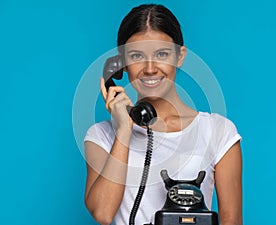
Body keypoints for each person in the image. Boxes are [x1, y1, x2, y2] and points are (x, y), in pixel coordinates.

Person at [84, 4, 242, 225]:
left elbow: (231, 220)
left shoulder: (219, 132)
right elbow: (102, 213)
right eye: (137, 56)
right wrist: (124, 130)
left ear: (180, 56)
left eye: (162, 54)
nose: (150, 68)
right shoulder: (101, 136)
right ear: (121, 65)